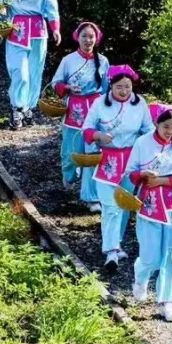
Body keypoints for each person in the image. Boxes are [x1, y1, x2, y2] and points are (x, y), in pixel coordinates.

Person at [127, 104, 172, 322]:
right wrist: (144, 175)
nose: (170, 131)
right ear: (156, 123)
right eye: (166, 126)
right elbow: (130, 173)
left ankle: (167, 302)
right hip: (149, 206)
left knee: (170, 256)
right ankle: (141, 275)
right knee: (150, 256)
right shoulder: (142, 142)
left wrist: (163, 181)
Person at [81, 66, 152, 272]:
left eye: (127, 87)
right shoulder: (100, 103)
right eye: (119, 86)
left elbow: (148, 131)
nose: (123, 91)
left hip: (131, 160)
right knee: (110, 207)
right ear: (111, 85)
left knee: (123, 206)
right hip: (108, 161)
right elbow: (87, 129)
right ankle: (111, 252)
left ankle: (117, 242)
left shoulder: (140, 104)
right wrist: (98, 136)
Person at [51, 22, 109, 209]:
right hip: (74, 112)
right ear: (78, 37)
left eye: (91, 36)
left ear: (96, 38)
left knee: (92, 155)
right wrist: (67, 88)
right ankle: (69, 175)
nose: (88, 40)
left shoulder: (103, 61)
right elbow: (56, 83)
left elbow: (108, 90)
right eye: (84, 36)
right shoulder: (68, 60)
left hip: (95, 112)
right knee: (70, 154)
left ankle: (91, 198)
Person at [2, 0, 60, 129]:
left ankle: (29, 107)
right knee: (20, 73)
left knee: (35, 71)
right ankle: (17, 107)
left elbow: (51, 9)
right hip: (17, 31)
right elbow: (1, 5)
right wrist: (2, 16)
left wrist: (55, 29)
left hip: (38, 32)